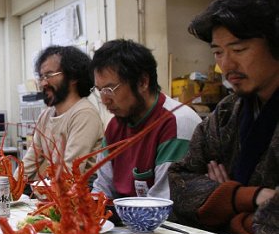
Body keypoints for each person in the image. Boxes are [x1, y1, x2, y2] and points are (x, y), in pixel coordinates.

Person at [169, 0, 279, 234]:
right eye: (218, 52)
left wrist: (223, 209)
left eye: (239, 50)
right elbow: (180, 188)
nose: (226, 65)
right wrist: (248, 197)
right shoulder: (227, 112)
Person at [90, 39, 201, 199]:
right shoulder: (115, 124)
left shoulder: (175, 122)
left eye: (109, 89)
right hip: (124, 218)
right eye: (100, 90)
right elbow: (102, 188)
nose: (104, 99)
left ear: (142, 82)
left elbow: (162, 204)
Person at [23, 45, 103, 180]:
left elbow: (68, 172)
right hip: (52, 191)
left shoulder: (84, 114)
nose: (43, 83)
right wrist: (7, 187)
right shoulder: (46, 114)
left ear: (73, 76)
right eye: (41, 77)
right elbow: (30, 160)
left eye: (49, 75)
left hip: (78, 195)